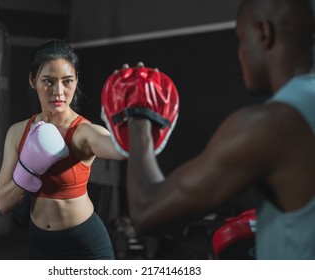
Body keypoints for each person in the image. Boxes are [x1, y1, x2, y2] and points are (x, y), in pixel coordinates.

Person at [122, 0, 315, 259]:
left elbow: (147, 211)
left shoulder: (271, 125)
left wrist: (138, 115)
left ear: (264, 33)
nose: (240, 53)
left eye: (242, 39)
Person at [0, 39, 124, 260]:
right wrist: (28, 170)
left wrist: (131, 122)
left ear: (76, 82)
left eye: (67, 81)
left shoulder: (83, 132)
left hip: (85, 245)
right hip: (40, 245)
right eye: (48, 81)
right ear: (32, 80)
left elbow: (118, 149)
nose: (59, 91)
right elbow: (3, 203)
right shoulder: (17, 133)